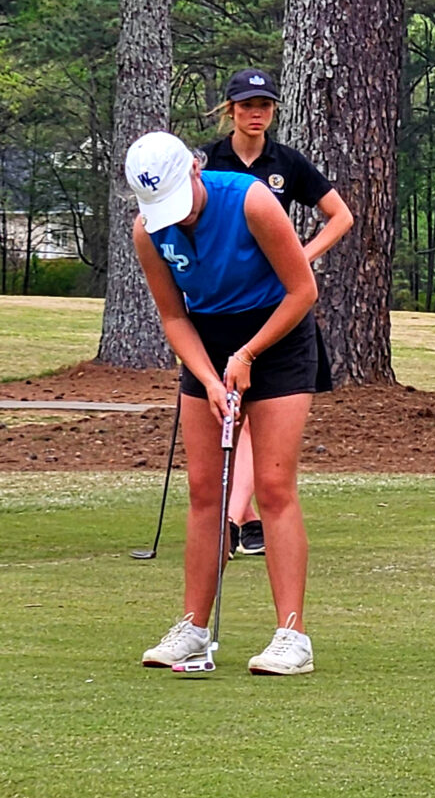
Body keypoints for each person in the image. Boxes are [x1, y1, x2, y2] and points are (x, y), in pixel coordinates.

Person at [127, 130, 320, 674]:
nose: (176, 217)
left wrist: (249, 354)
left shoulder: (250, 199)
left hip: (276, 334)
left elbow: (303, 289)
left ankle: (292, 636)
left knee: (275, 487)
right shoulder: (149, 230)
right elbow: (173, 315)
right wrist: (210, 378)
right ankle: (193, 625)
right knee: (204, 488)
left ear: (195, 167)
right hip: (207, 343)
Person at [200, 68, 353, 559]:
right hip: (222, 303)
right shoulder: (206, 160)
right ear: (230, 110)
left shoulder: (286, 161)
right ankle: (240, 519)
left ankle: (236, 518)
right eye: (247, 105)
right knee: (231, 413)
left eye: (264, 105)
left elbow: (341, 215)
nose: (256, 113)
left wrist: (301, 257)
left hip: (274, 306)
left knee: (257, 410)